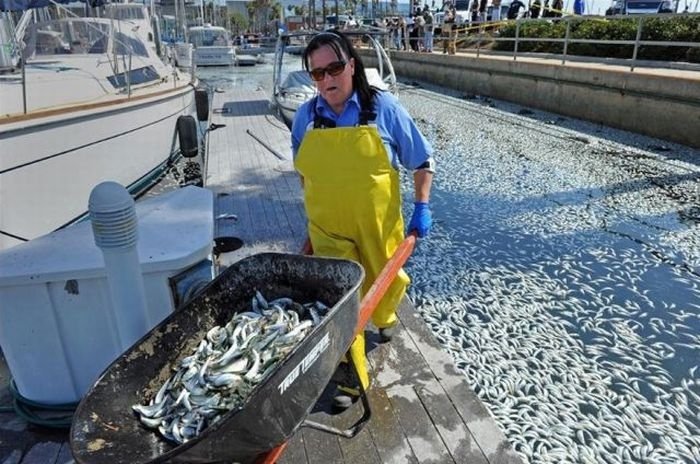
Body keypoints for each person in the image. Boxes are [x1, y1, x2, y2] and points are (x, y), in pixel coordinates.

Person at [291, 31, 435, 410]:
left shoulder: (384, 108)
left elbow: (422, 161)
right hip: (327, 230)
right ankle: (349, 372)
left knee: (384, 287)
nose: (326, 80)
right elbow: (302, 169)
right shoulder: (305, 117)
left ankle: (387, 316)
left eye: (334, 68)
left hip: (378, 226)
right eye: (316, 74)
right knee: (338, 299)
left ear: (352, 66)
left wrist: (422, 205)